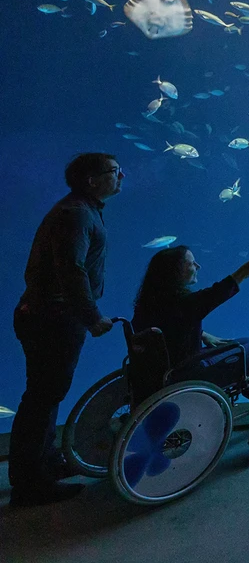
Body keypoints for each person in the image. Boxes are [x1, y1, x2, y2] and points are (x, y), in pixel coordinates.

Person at [8, 153, 123, 508]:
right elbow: (70, 270)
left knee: (47, 394)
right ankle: (30, 484)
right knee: (42, 398)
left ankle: (43, 465)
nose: (121, 176)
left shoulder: (81, 209)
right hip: (53, 318)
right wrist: (91, 317)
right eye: (114, 171)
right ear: (91, 180)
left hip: (50, 316)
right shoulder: (76, 214)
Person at [130, 229, 249, 427]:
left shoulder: (149, 304)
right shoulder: (188, 303)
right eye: (191, 263)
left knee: (246, 342)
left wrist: (201, 334)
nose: (198, 266)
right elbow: (241, 274)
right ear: (176, 271)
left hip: (166, 374)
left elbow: (167, 328)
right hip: (191, 374)